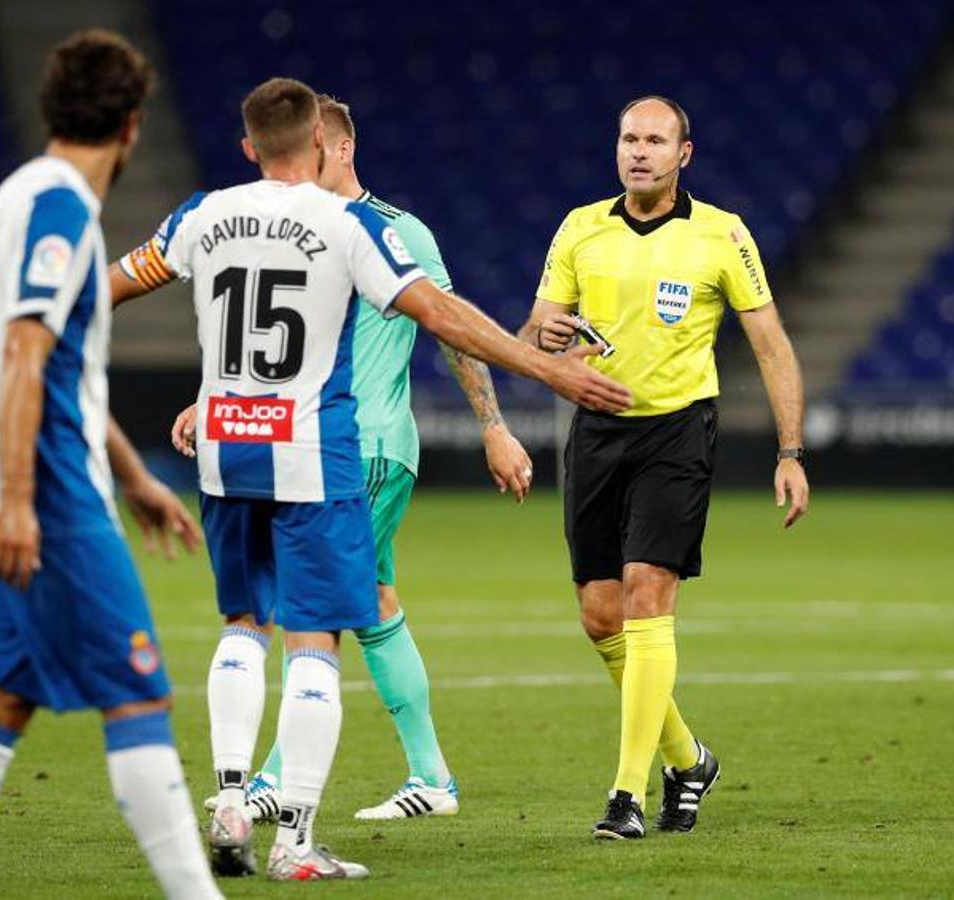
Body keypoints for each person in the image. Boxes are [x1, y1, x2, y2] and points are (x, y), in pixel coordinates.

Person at [113, 76, 629, 879]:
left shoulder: (203, 215)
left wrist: (2, 328)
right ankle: (295, 832)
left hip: (233, 449)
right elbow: (443, 316)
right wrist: (542, 372)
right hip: (323, 451)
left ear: (248, 147)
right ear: (316, 142)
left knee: (249, 621)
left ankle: (234, 793)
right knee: (321, 631)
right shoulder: (349, 225)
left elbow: (123, 291)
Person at [0, 30, 221, 900]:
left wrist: (136, 476)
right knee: (138, 696)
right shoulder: (58, 210)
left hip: (34, 482)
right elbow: (24, 352)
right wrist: (20, 501)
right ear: (130, 127)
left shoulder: (19, 195)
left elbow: (53, 364)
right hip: (49, 497)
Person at [163, 94, 533, 824]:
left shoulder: (394, 232)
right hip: (308, 446)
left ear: (339, 149)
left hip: (362, 448)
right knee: (372, 603)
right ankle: (431, 776)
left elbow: (453, 329)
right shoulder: (302, 235)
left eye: (311, 148)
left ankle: (269, 780)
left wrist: (494, 424)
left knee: (308, 601)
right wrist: (213, 402)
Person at [516, 95, 810, 841]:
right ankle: (689, 759)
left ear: (685, 153)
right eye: (628, 138)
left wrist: (790, 452)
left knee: (650, 597)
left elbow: (771, 344)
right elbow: (532, 338)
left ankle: (626, 795)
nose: (638, 151)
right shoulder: (580, 228)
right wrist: (545, 338)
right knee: (599, 615)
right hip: (597, 433)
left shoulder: (722, 234)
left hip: (678, 432)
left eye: (655, 139)